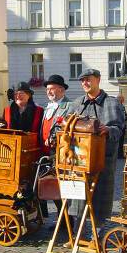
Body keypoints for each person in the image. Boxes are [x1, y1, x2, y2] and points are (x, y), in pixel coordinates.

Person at [67, 69, 124, 244]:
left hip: (103, 161)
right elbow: (66, 126)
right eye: (82, 80)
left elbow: (119, 129)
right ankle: (78, 235)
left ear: (98, 80)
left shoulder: (112, 103)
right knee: (78, 198)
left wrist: (108, 130)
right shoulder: (77, 103)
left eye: (88, 80)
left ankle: (96, 236)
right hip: (79, 160)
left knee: (100, 198)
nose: (85, 83)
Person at [40, 74, 71, 219]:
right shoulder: (48, 107)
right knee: (52, 187)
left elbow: (68, 128)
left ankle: (67, 220)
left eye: (52, 89)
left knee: (62, 187)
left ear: (61, 90)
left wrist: (54, 139)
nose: (49, 92)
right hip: (46, 153)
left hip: (60, 152)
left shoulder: (69, 106)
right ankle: (61, 218)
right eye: (47, 89)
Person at [117, 94, 126, 158]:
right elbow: (122, 116)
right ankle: (119, 154)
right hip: (120, 126)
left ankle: (119, 154)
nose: (123, 100)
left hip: (121, 125)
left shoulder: (121, 106)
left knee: (120, 141)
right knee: (120, 141)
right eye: (123, 99)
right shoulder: (120, 106)